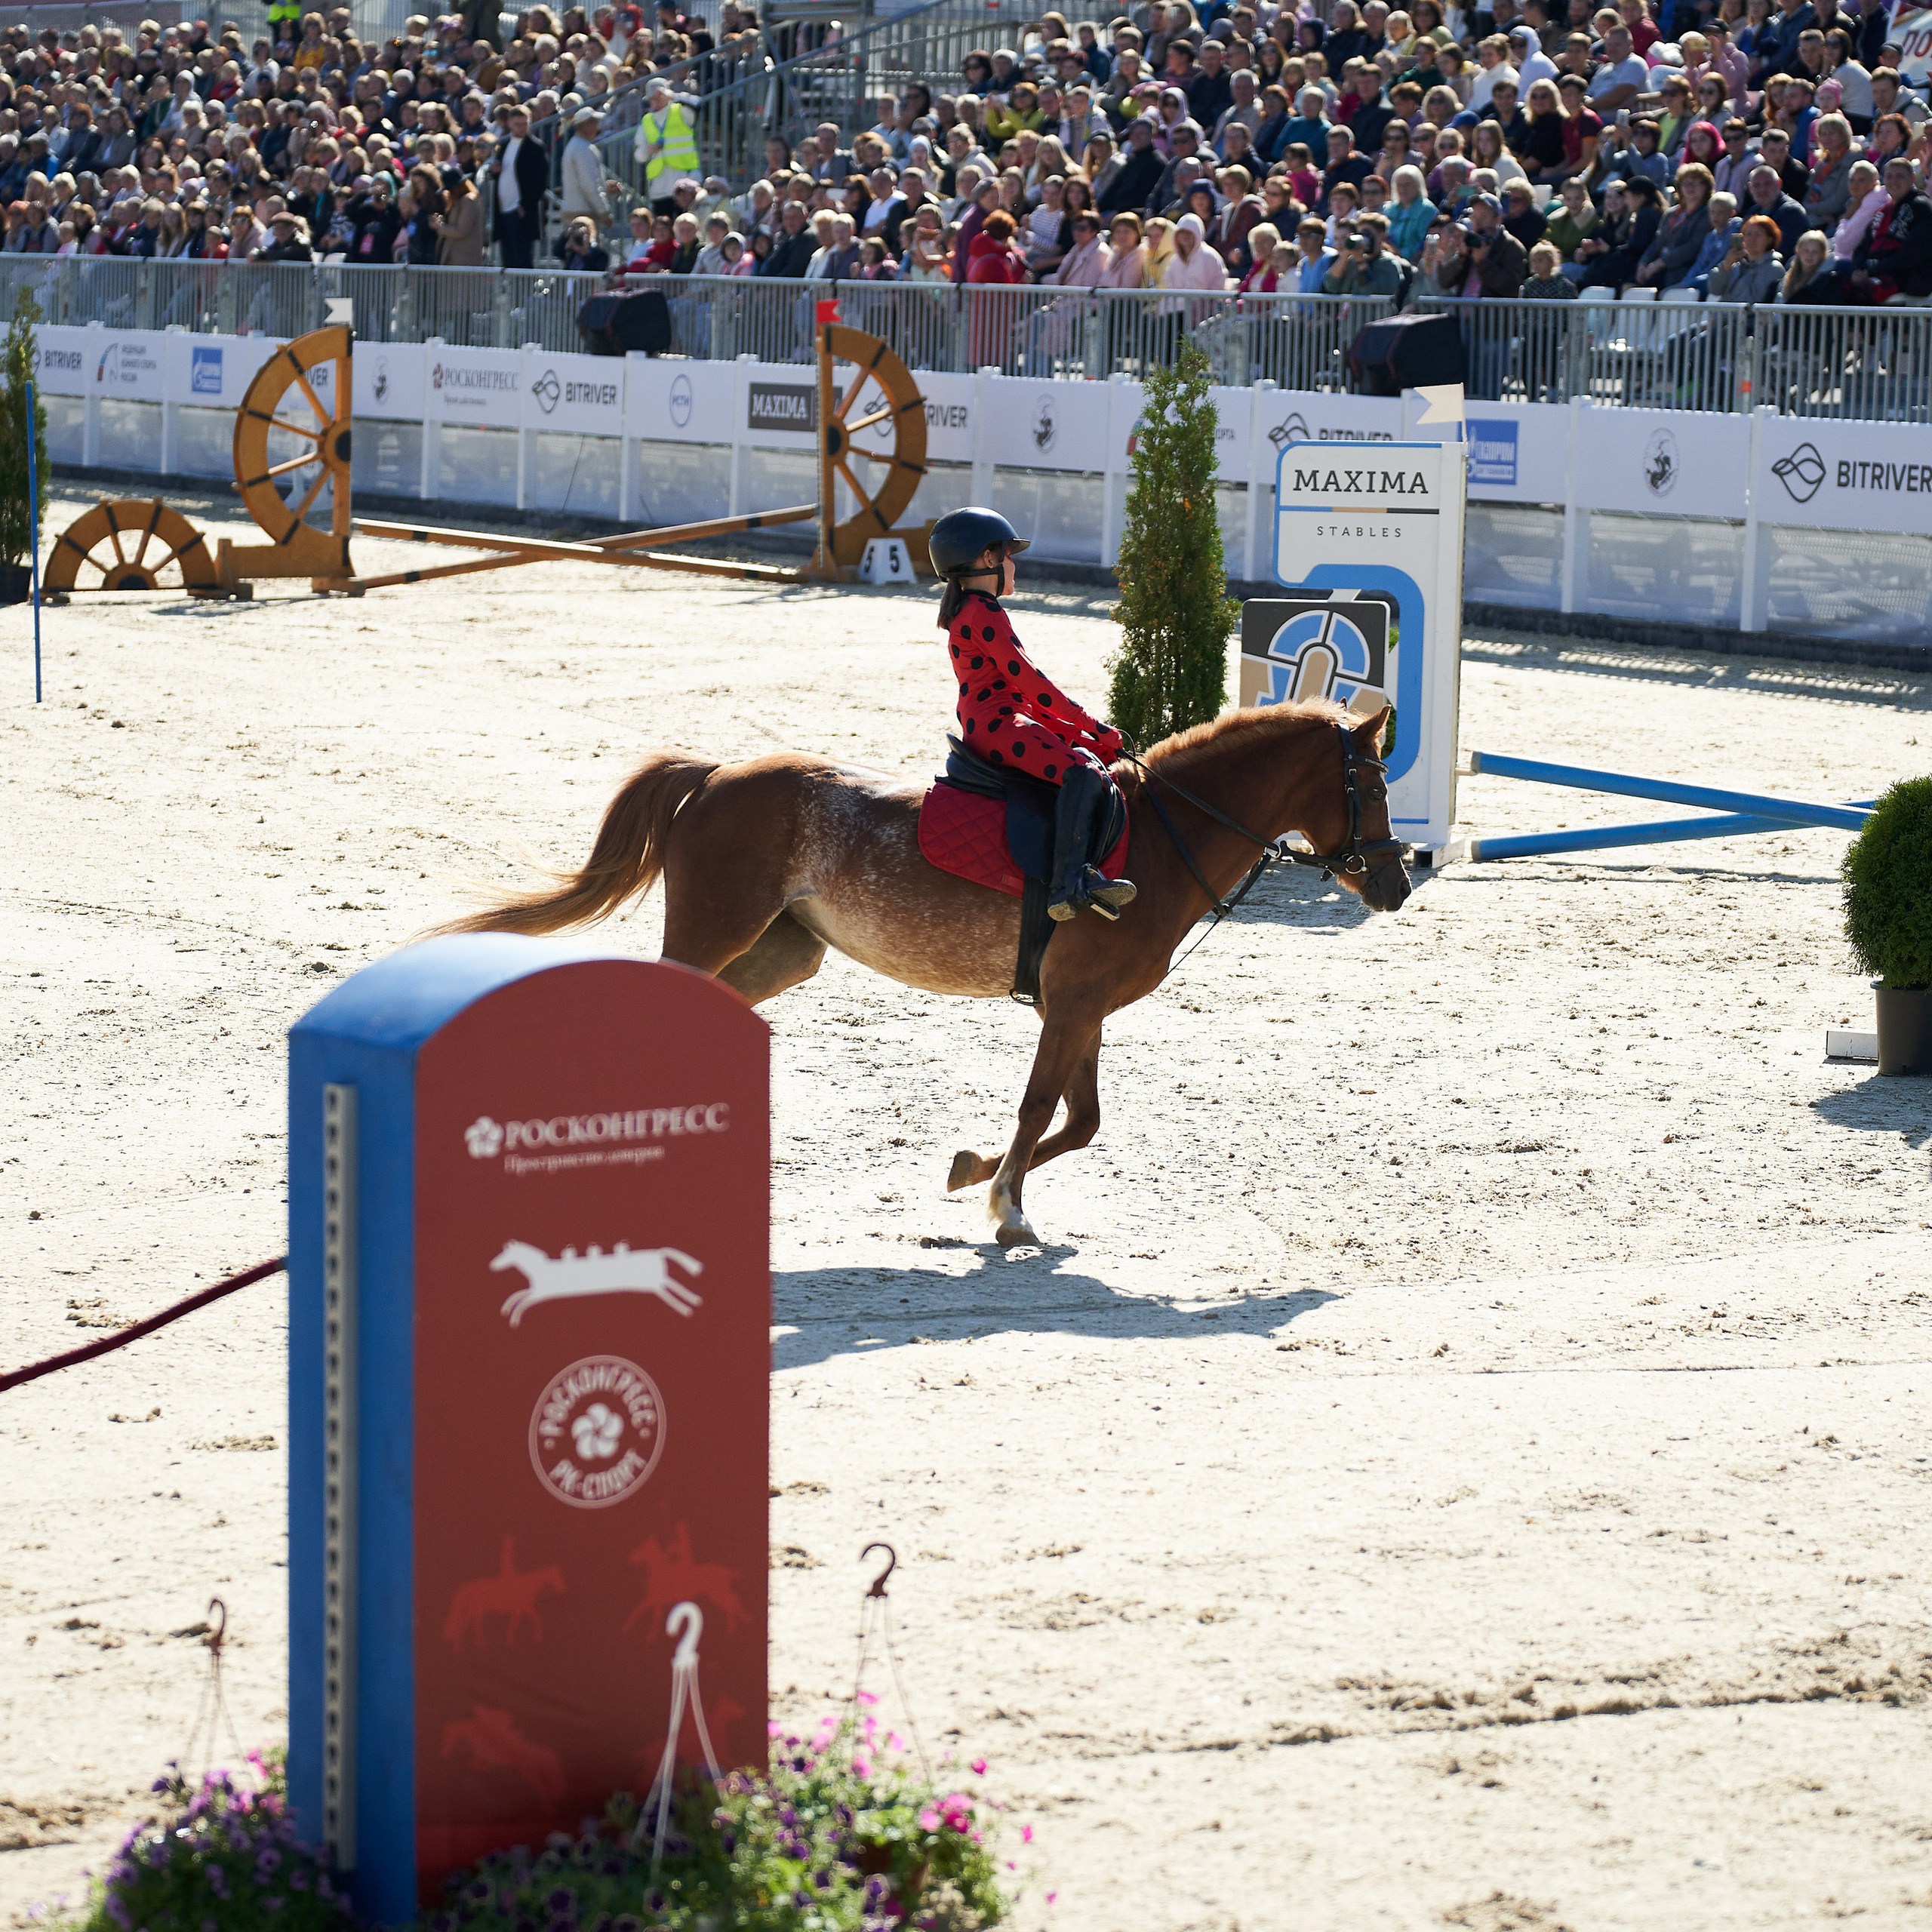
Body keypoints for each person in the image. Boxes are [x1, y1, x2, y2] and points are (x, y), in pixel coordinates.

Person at [928, 506, 1136, 924]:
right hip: (1000, 727)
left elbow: (1023, 696)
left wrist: (1084, 735)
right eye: (1008, 554)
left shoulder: (969, 609)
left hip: (1003, 719)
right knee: (1084, 772)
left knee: (1087, 755)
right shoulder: (983, 612)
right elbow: (1032, 685)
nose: (1013, 563)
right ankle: (1070, 883)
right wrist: (1092, 726)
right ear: (987, 558)